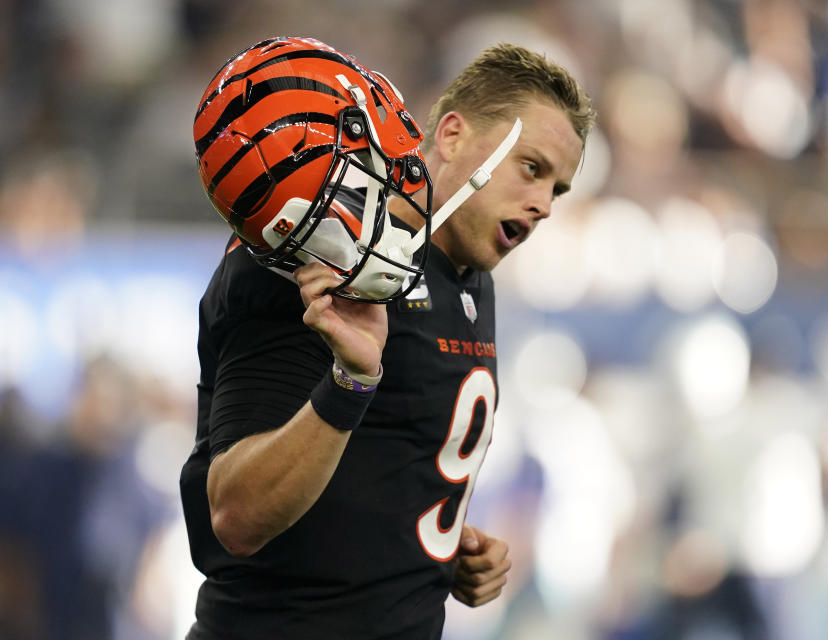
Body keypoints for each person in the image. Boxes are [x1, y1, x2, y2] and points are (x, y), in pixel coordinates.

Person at [180, 36, 593, 640]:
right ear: (451, 136)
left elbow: (371, 474)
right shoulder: (320, 261)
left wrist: (437, 551)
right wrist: (351, 382)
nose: (543, 206)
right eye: (531, 168)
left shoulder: (470, 275)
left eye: (556, 189)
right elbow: (237, 516)